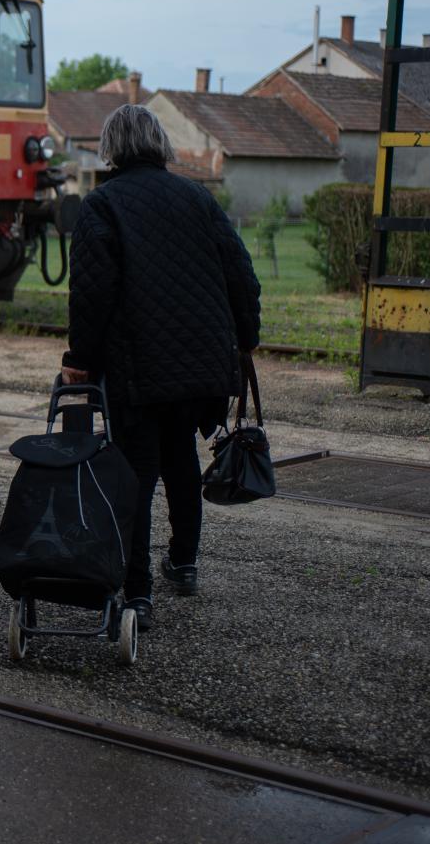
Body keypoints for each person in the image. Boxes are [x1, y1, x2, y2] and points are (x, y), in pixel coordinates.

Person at [59, 104, 261, 630]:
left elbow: (92, 294)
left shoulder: (103, 206)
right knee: (181, 461)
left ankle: (139, 593)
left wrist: (79, 362)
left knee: (137, 475)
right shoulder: (198, 197)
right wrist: (245, 341)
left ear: (111, 148)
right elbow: (242, 275)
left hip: (138, 365)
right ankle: (185, 563)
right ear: (159, 144)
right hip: (203, 362)